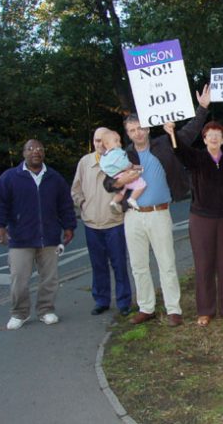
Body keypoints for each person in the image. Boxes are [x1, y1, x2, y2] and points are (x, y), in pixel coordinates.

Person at [105, 85, 209, 327]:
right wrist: (119, 181)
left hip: (159, 213)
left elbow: (191, 131)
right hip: (133, 215)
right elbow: (107, 181)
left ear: (148, 127)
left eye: (140, 128)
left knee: (166, 262)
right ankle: (146, 307)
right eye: (131, 130)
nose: (137, 133)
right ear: (127, 134)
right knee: (139, 265)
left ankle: (174, 309)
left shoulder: (165, 144)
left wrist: (202, 108)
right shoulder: (124, 155)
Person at [0, 139, 77, 329]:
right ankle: (19, 313)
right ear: (23, 153)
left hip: (50, 238)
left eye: (39, 149)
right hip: (20, 239)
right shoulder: (10, 177)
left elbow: (65, 205)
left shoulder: (54, 178)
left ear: (44, 153)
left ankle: (46, 310)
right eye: (30, 149)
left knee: (49, 278)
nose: (35, 152)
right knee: (19, 280)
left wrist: (69, 226)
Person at [164, 118, 223, 327]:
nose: (214, 137)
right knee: (204, 263)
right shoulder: (197, 158)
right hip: (201, 219)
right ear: (205, 139)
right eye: (210, 135)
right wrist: (172, 133)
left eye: (218, 134)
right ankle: (205, 310)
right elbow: (180, 151)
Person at [71, 127, 133, 316]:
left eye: (103, 141)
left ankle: (124, 302)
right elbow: (76, 189)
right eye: (96, 140)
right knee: (98, 265)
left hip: (114, 222)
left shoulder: (120, 161)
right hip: (92, 223)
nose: (100, 144)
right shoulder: (85, 162)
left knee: (119, 264)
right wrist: (83, 205)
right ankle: (101, 300)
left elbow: (131, 186)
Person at [99, 130, 146, 211]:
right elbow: (124, 164)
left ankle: (113, 202)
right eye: (116, 141)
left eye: (119, 141)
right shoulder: (116, 153)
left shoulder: (105, 156)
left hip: (115, 175)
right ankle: (132, 199)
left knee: (121, 193)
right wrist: (133, 166)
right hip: (122, 174)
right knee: (141, 183)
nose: (119, 143)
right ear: (107, 144)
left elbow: (104, 168)